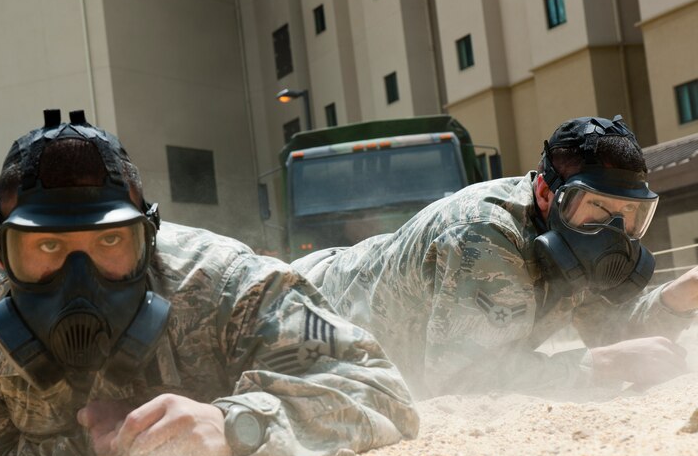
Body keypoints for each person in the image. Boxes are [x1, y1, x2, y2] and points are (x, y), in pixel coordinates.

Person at [0, 109, 418, 456]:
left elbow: (381, 390)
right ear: (2, 255)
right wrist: (103, 447)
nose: (80, 277)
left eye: (110, 240)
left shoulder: (221, 281)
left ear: (149, 238)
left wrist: (233, 424)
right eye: (47, 247)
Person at [293, 115, 698, 399]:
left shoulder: (573, 235)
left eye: (631, 214)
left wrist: (682, 294)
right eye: (599, 207)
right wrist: (606, 364)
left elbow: (614, 335)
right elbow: (461, 378)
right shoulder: (484, 234)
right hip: (304, 310)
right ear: (545, 193)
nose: (615, 231)